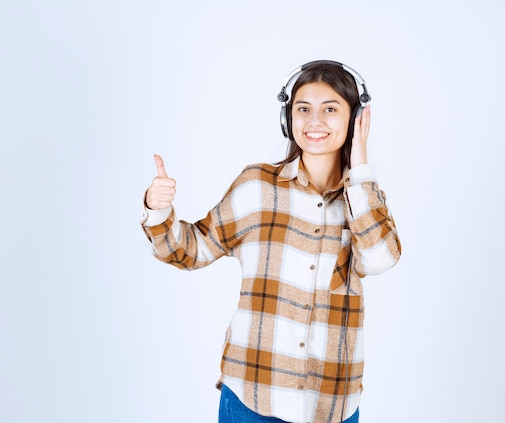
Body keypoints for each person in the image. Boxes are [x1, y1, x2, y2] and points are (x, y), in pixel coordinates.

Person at [141, 60, 401, 423]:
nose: (314, 121)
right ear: (287, 118)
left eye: (330, 109)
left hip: (331, 406)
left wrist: (360, 168)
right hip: (252, 396)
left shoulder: (363, 200)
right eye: (303, 109)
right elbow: (191, 250)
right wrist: (158, 209)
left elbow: (379, 259)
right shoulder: (257, 187)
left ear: (356, 119)